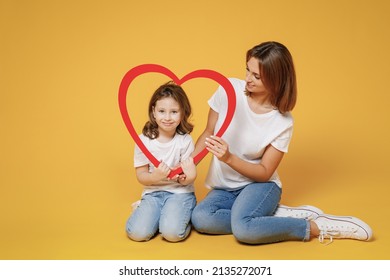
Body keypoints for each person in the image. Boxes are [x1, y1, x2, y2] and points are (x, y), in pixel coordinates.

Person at [190, 41, 373, 244]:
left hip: (259, 185)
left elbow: (265, 172)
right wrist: (187, 165)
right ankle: (266, 217)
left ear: (276, 80)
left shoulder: (282, 121)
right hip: (225, 187)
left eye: (256, 76)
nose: (247, 79)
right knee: (201, 219)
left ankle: (315, 226)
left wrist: (229, 158)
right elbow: (208, 132)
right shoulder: (228, 90)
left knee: (244, 230)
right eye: (247, 70)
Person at [125, 81, 197, 242]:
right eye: (162, 111)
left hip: (180, 194)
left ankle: (180, 215)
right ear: (154, 112)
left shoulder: (185, 141)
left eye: (174, 112)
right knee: (137, 233)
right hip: (153, 194)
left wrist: (190, 177)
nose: (167, 117)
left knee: (171, 234)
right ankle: (147, 212)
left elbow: (185, 178)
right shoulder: (143, 140)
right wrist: (154, 177)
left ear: (183, 113)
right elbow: (141, 175)